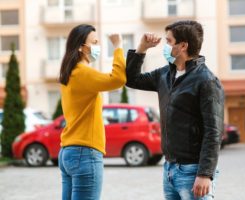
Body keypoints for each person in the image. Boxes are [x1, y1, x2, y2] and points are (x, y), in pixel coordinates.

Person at [126, 20, 224, 200]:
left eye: (169, 41)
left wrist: (205, 174)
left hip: (193, 171)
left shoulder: (207, 81)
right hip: (169, 169)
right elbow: (132, 79)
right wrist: (141, 48)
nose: (165, 46)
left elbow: (214, 132)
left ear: (183, 46)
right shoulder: (165, 74)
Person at [58, 24, 126, 200]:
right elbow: (118, 79)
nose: (98, 46)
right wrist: (118, 46)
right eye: (94, 42)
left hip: (68, 150)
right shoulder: (81, 73)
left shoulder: (70, 72)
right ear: (81, 47)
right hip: (84, 152)